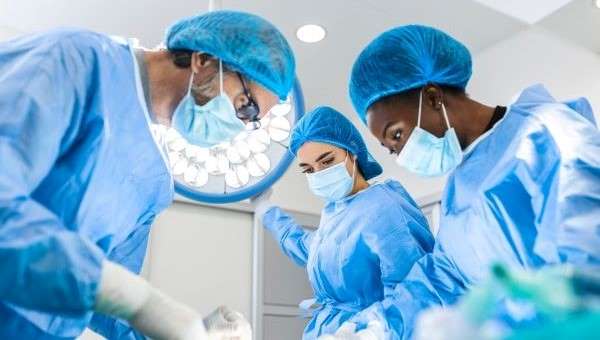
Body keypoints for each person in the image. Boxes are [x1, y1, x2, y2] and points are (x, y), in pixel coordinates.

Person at [0, 10, 295, 339]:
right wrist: (140, 302)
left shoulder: (152, 181)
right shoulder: (75, 61)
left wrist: (186, 331)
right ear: (205, 59)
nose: (239, 128)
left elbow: (109, 301)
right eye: (246, 106)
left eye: (249, 121)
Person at [322, 24, 600, 339]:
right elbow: (442, 278)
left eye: (396, 134)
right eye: (391, 149)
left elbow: (586, 268)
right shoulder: (460, 188)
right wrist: (373, 327)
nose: (400, 155)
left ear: (432, 97)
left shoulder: (547, 135)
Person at [251, 106, 435, 339]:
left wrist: (369, 330)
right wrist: (266, 211)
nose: (318, 174)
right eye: (308, 170)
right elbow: (306, 247)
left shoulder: (384, 207)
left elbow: (415, 294)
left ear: (352, 152)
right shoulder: (335, 212)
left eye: (326, 162)